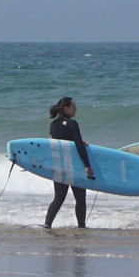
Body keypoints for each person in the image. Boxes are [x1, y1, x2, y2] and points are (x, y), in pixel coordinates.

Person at [45, 96, 93, 229]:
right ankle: (81, 227)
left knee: (58, 198)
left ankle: (47, 225)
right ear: (66, 108)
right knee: (80, 199)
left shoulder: (53, 125)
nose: (76, 109)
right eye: (73, 107)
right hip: (73, 167)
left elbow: (60, 143)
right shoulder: (72, 124)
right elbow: (78, 146)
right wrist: (87, 165)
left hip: (59, 166)